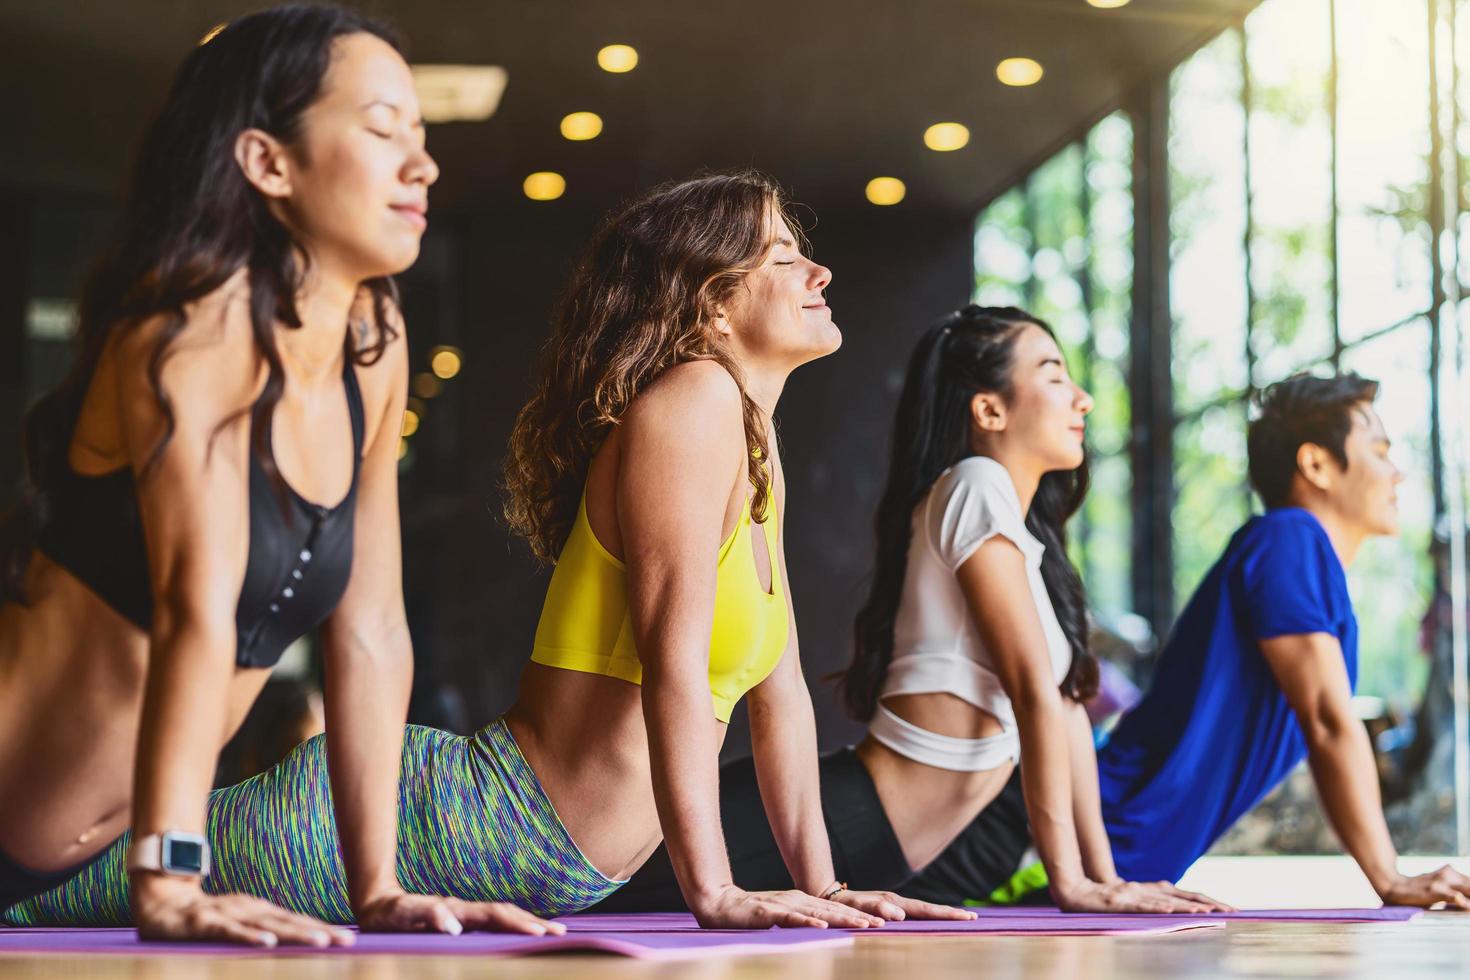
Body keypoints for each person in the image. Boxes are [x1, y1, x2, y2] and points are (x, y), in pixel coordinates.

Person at [4, 172, 969, 931]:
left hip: (517, 847)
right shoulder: (693, 404)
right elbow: (673, 665)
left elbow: (782, 692)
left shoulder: (754, 442)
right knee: (49, 890)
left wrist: (826, 884)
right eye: (783, 258)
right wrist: (708, 887)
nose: (819, 274)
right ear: (713, 308)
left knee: (59, 881)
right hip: (464, 820)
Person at [0, 4, 558, 944]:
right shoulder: (191, 328)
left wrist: (376, 886)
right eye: (382, 130)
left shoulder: (372, 341)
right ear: (268, 162)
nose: (421, 164)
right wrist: (171, 878)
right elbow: (194, 608)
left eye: (421, 135)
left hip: (57, 862)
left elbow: (373, 630)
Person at [601, 306, 1225, 914]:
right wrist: (1074, 884)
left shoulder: (1014, 527)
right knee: (593, 883)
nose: (1082, 398)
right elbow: (1033, 694)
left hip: (882, 839)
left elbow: (1061, 708)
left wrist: (1103, 878)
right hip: (848, 819)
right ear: (989, 408)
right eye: (1055, 375)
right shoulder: (974, 485)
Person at [906, 372, 1470, 910]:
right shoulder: (1289, 538)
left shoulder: (1304, 563)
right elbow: (1326, 719)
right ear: (1317, 463)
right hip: (1050, 841)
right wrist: (1390, 878)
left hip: (1103, 843)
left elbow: (1324, 723)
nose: (1398, 473)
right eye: (1380, 450)